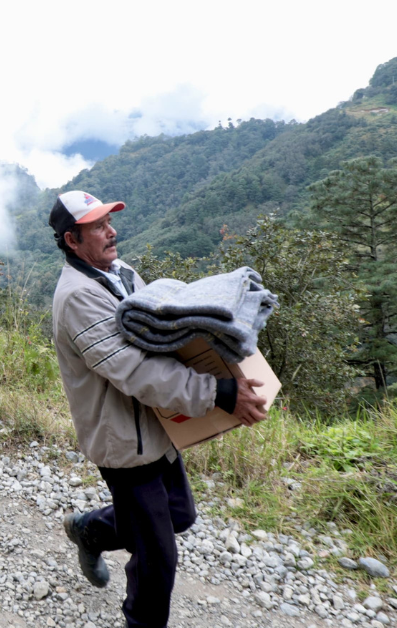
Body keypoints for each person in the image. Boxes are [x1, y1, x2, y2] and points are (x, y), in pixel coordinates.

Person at [48, 190, 268, 628]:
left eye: (109, 223)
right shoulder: (77, 297)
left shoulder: (122, 272)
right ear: (72, 240)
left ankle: (90, 529)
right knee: (157, 558)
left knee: (180, 515)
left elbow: (162, 333)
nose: (111, 232)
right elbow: (135, 370)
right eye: (98, 227)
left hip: (157, 425)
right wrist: (219, 393)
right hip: (124, 441)